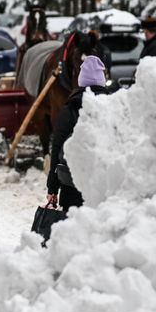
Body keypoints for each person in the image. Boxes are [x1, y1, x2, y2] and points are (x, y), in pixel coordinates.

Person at [46, 54, 110, 211]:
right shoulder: (113, 106)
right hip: (106, 187)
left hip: (72, 185)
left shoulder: (70, 108)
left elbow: (57, 146)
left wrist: (53, 188)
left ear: (81, 81)